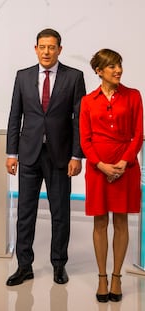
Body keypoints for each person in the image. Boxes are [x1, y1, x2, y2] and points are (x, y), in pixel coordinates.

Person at [5, 28, 86, 286]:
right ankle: (24, 265)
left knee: (60, 212)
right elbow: (15, 116)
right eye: (42, 47)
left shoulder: (74, 77)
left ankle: (59, 265)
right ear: (35, 48)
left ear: (60, 49)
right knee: (25, 213)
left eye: (52, 47)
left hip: (61, 157)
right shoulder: (23, 76)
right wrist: (11, 153)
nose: (47, 52)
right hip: (29, 155)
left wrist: (77, 155)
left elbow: (79, 121)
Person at [79, 49, 143, 303]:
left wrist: (124, 162)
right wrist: (101, 165)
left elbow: (138, 134)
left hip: (125, 167)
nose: (118, 70)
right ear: (99, 71)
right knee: (100, 223)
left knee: (121, 222)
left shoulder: (134, 96)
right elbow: (85, 139)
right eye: (112, 66)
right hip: (98, 170)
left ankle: (117, 277)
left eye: (119, 65)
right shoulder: (87, 101)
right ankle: (102, 277)